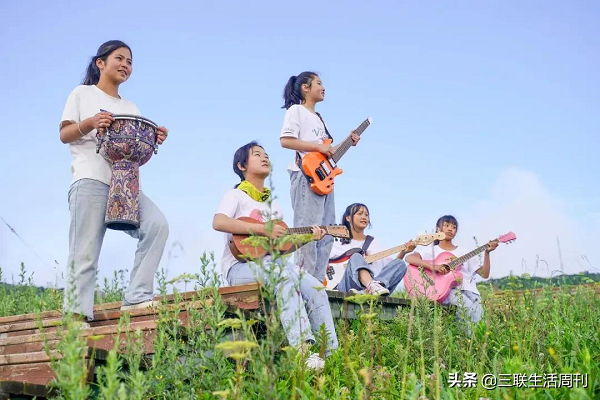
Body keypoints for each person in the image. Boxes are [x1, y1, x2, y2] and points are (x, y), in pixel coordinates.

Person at [59, 40, 169, 322]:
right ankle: (76, 319)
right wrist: (91, 122)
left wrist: (153, 139)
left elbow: (133, 150)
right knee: (85, 252)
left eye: (129, 62)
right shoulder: (82, 93)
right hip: (90, 179)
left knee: (157, 225)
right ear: (100, 63)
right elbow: (65, 134)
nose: (125, 65)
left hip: (126, 184)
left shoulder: (130, 106)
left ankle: (136, 296)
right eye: (119, 58)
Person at [213, 141, 339, 370]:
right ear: (241, 165)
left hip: (273, 265)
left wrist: (307, 238)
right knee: (284, 275)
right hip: (239, 268)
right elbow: (219, 222)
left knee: (316, 288)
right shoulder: (236, 195)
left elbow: (280, 247)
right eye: (257, 154)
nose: (265, 158)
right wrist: (262, 228)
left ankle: (332, 355)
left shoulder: (274, 206)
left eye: (266, 155)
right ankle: (303, 349)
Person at [279, 71, 360, 281]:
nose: (323, 88)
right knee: (308, 232)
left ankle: (317, 281)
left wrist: (347, 142)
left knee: (327, 232)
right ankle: (303, 280)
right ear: (305, 88)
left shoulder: (319, 118)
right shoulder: (296, 110)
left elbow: (327, 151)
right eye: (319, 83)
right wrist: (317, 147)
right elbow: (286, 140)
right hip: (305, 176)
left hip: (324, 179)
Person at [405, 215, 497, 328]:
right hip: (448, 291)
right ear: (438, 229)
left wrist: (487, 253)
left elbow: (484, 274)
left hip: (471, 291)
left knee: (479, 319)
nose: (450, 229)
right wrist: (434, 267)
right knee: (467, 310)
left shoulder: (464, 252)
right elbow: (409, 258)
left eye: (454, 227)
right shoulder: (431, 251)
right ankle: (465, 338)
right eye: (446, 225)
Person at [329, 203, 415, 295]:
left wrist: (403, 252)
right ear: (348, 218)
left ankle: (372, 288)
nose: (364, 217)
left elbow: (388, 269)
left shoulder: (373, 243)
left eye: (366, 215)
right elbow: (322, 261)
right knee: (356, 256)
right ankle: (371, 286)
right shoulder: (337, 242)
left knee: (400, 264)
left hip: (374, 289)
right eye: (359, 213)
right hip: (345, 287)